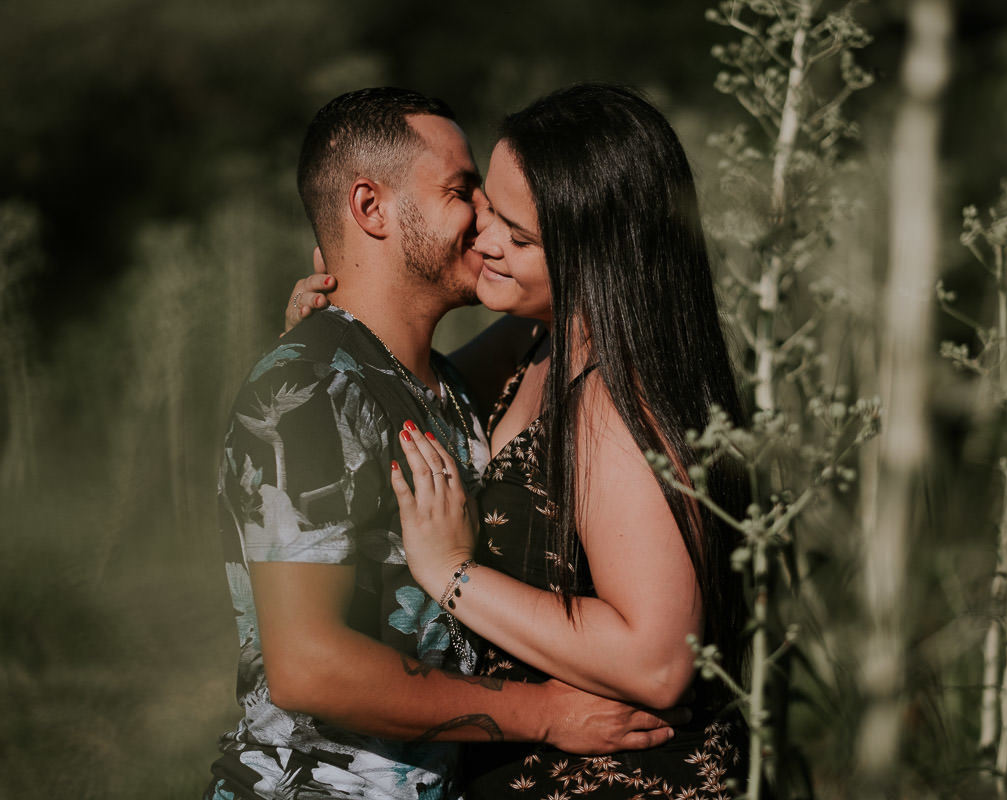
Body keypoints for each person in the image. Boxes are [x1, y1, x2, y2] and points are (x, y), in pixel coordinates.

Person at [208, 87, 682, 800]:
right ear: (371, 208)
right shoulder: (303, 391)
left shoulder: (445, 386)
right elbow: (309, 664)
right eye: (464, 192)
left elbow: (576, 293)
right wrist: (547, 715)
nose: (486, 224)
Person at [388, 84, 749, 799]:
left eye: (519, 239)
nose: (484, 239)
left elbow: (659, 661)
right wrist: (330, 344)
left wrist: (452, 575)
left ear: (597, 257)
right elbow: (409, 399)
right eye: (489, 207)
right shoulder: (540, 341)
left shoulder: (616, 404)